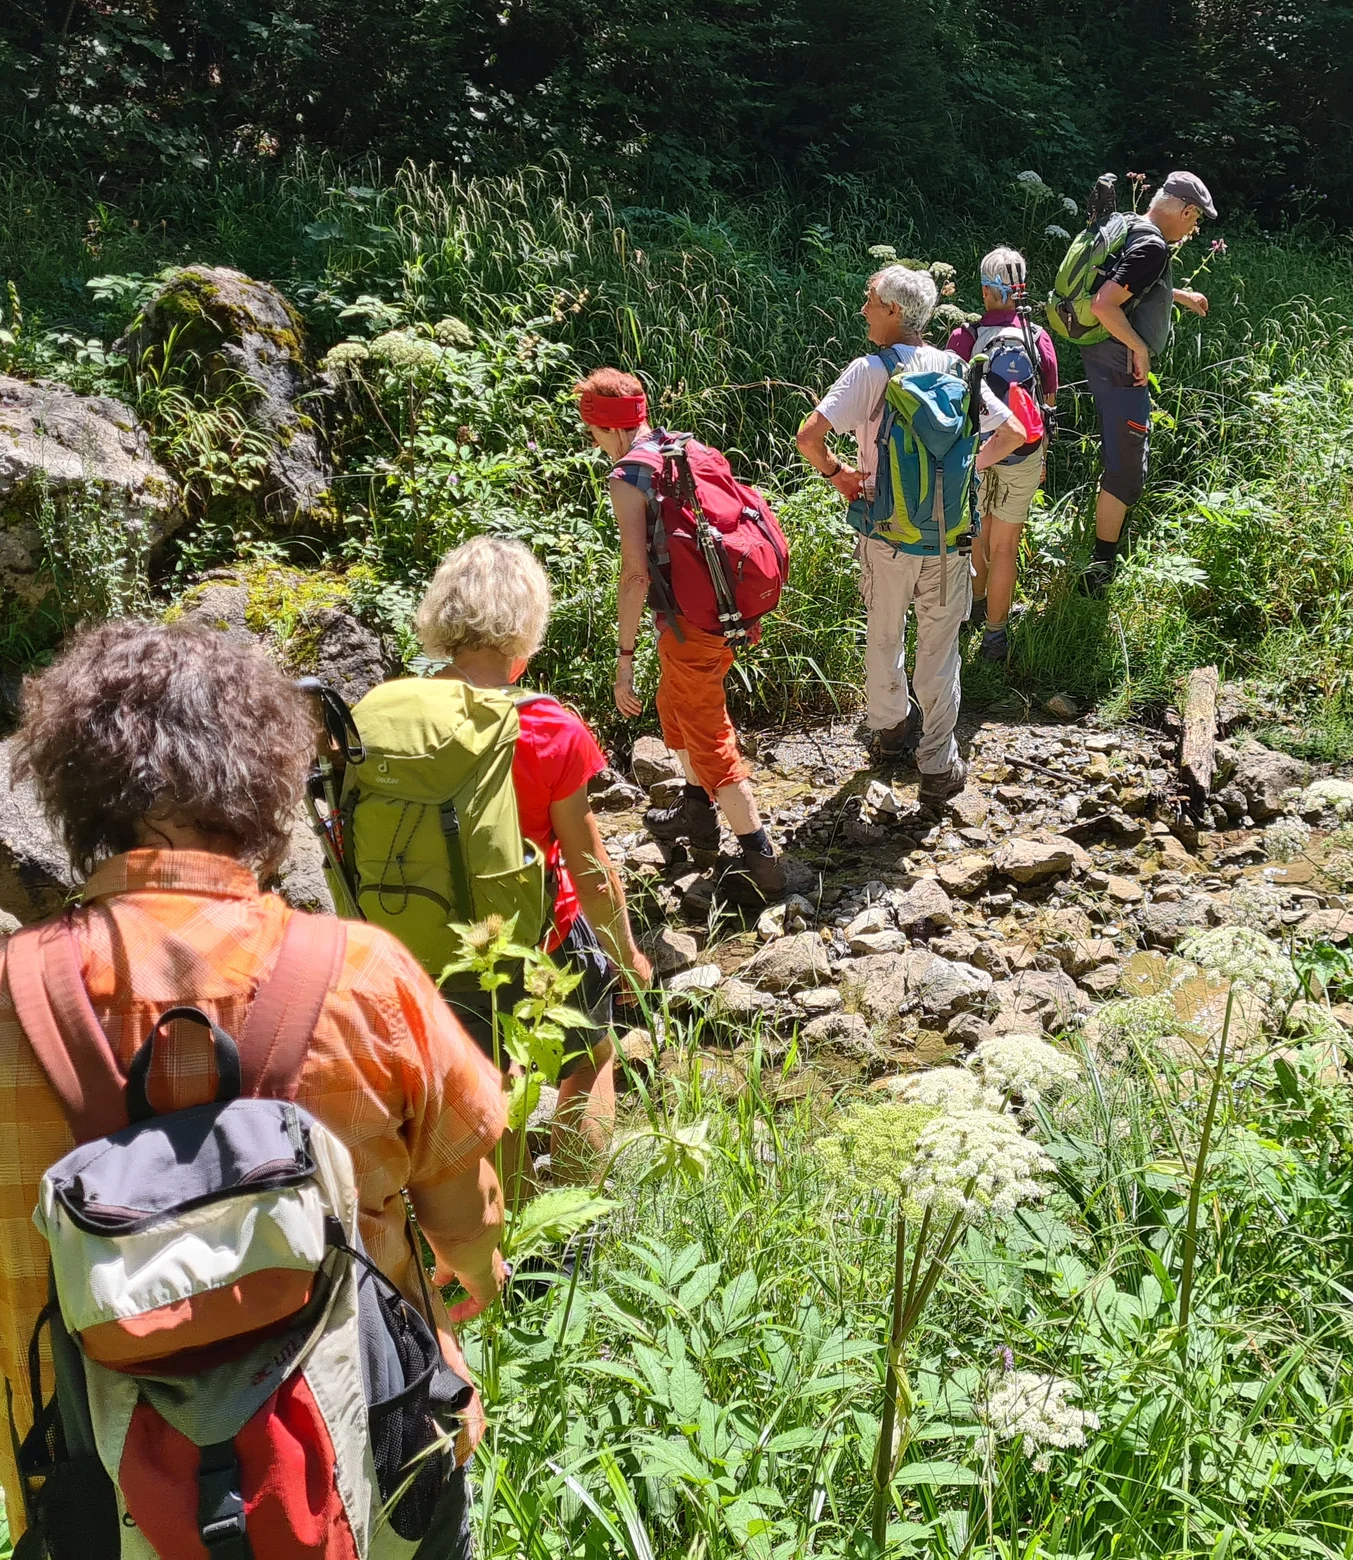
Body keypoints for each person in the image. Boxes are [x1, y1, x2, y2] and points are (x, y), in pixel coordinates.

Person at [0, 620, 509, 1544]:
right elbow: (468, 1216)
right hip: (362, 1470)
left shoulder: (7, 1002)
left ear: (76, 797)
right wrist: (469, 1282)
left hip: (94, 1497)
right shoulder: (361, 974)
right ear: (261, 783)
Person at [412, 536, 648, 1163]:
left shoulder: (400, 720)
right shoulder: (549, 726)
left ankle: (501, 1239)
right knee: (594, 1055)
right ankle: (567, 1238)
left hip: (430, 940)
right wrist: (626, 956)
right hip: (539, 939)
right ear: (525, 629)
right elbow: (588, 868)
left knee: (490, 1083)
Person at [795, 263, 1025, 799]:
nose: (864, 310)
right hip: (950, 538)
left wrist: (840, 477)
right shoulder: (955, 366)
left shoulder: (869, 370)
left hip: (886, 535)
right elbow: (1013, 431)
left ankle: (892, 730)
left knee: (884, 635)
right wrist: (969, 466)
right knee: (940, 651)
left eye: (870, 300)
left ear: (895, 311)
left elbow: (809, 438)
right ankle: (939, 767)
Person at [576, 367, 790, 903]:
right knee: (676, 706)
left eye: (591, 433)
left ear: (605, 429)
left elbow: (634, 574)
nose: (594, 444)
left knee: (710, 734)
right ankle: (697, 815)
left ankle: (761, 862)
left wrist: (624, 658)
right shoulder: (686, 449)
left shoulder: (627, 477)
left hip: (691, 624)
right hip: (722, 610)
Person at [1080, 170, 1215, 589]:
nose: (1194, 228)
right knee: (1126, 470)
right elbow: (1106, 305)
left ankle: (1103, 555)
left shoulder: (1131, 226)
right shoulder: (1154, 245)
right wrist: (1139, 348)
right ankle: (1099, 573)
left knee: (1121, 457)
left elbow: (1123, 284)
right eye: (1196, 220)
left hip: (1102, 354)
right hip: (1121, 364)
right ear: (1187, 210)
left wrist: (1179, 296)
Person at [946, 246, 1058, 663]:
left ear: (985, 290)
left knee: (976, 529)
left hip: (977, 450)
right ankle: (995, 637)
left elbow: (950, 397)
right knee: (1006, 545)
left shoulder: (965, 335)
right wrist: (1041, 458)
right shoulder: (1036, 336)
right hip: (1024, 450)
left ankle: (975, 605)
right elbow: (1046, 402)